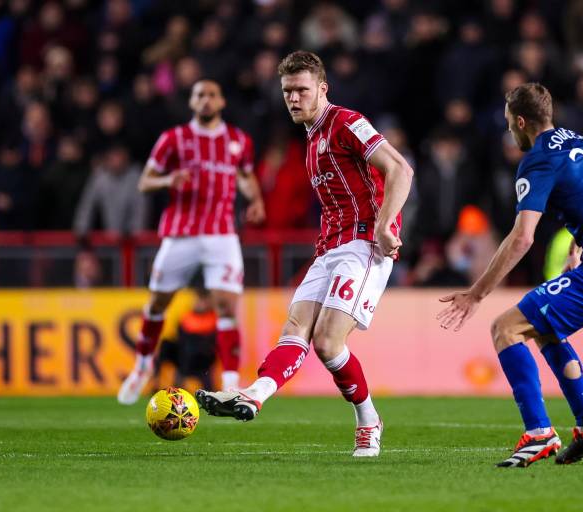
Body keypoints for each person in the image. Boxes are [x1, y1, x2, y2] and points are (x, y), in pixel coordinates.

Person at [195, 51, 414, 457]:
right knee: (295, 329)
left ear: (322, 89)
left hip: (364, 243)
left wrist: (386, 224)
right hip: (328, 247)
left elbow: (400, 169)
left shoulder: (347, 122)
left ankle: (369, 421)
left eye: (301, 90)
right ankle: (253, 394)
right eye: (287, 92)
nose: (293, 98)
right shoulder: (311, 139)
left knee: (329, 342)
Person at [437, 83, 583, 468]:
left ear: (521, 122)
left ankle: (538, 433)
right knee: (546, 328)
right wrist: (576, 245)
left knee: (505, 328)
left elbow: (522, 238)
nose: (509, 132)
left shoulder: (539, 159)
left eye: (509, 124)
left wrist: (476, 293)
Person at [117, 79, 265, 405]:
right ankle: (142, 367)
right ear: (192, 102)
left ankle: (230, 384)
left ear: (222, 101)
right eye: (200, 95)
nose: (206, 100)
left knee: (227, 307)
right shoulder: (174, 139)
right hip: (180, 234)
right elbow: (145, 181)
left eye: (212, 94)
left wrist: (255, 200)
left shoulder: (239, 141)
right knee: (157, 303)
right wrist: (170, 179)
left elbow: (245, 175)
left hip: (222, 234)